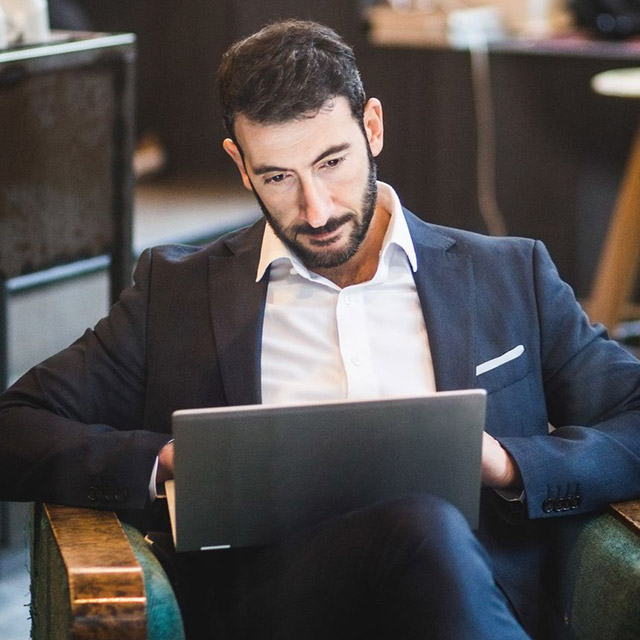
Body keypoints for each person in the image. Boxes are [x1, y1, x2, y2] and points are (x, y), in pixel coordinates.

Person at [1, 19, 639, 639]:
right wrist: (163, 462)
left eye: (332, 161)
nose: (317, 209)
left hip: (472, 598)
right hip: (275, 605)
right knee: (418, 525)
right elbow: (15, 426)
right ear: (241, 166)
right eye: (279, 177)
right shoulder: (177, 294)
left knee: (427, 529)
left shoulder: (509, 273)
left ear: (373, 127)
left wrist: (508, 464)